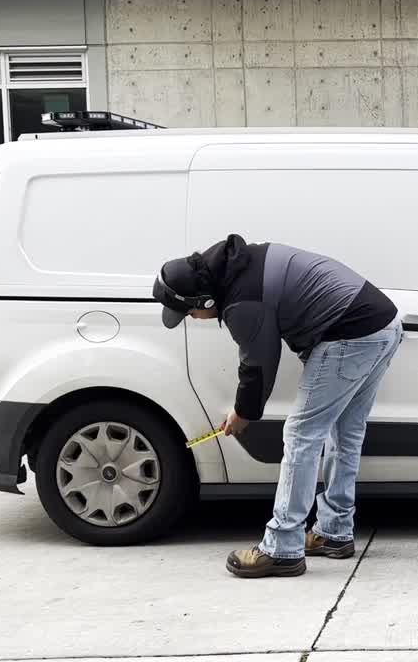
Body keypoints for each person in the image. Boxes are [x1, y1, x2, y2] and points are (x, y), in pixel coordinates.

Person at [152, 234, 402, 578]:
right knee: (345, 433)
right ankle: (334, 531)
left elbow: (258, 364)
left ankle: (282, 547)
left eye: (190, 311)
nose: (192, 318)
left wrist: (243, 413)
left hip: (351, 333)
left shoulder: (243, 300)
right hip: (382, 327)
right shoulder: (239, 265)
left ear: (205, 299)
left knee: (302, 434)